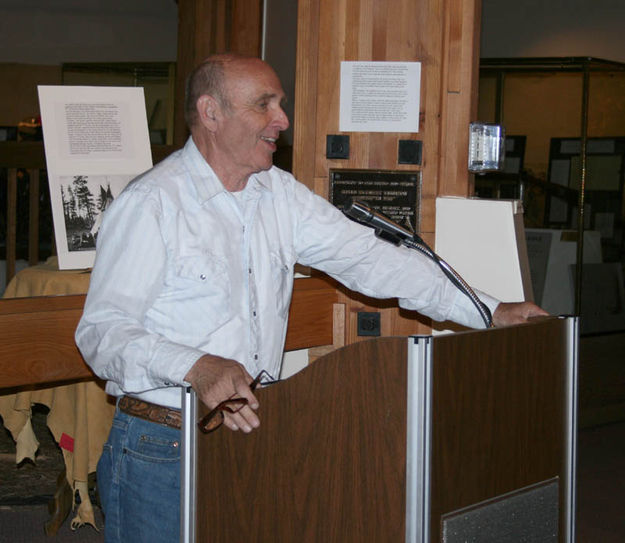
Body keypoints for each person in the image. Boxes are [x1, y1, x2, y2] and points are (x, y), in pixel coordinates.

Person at [75, 53, 547, 542]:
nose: (282, 120)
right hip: (161, 447)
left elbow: (374, 260)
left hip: (252, 433)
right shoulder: (152, 203)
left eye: (280, 104)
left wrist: (488, 310)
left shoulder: (279, 195)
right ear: (211, 113)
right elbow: (102, 333)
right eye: (265, 105)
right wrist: (196, 366)